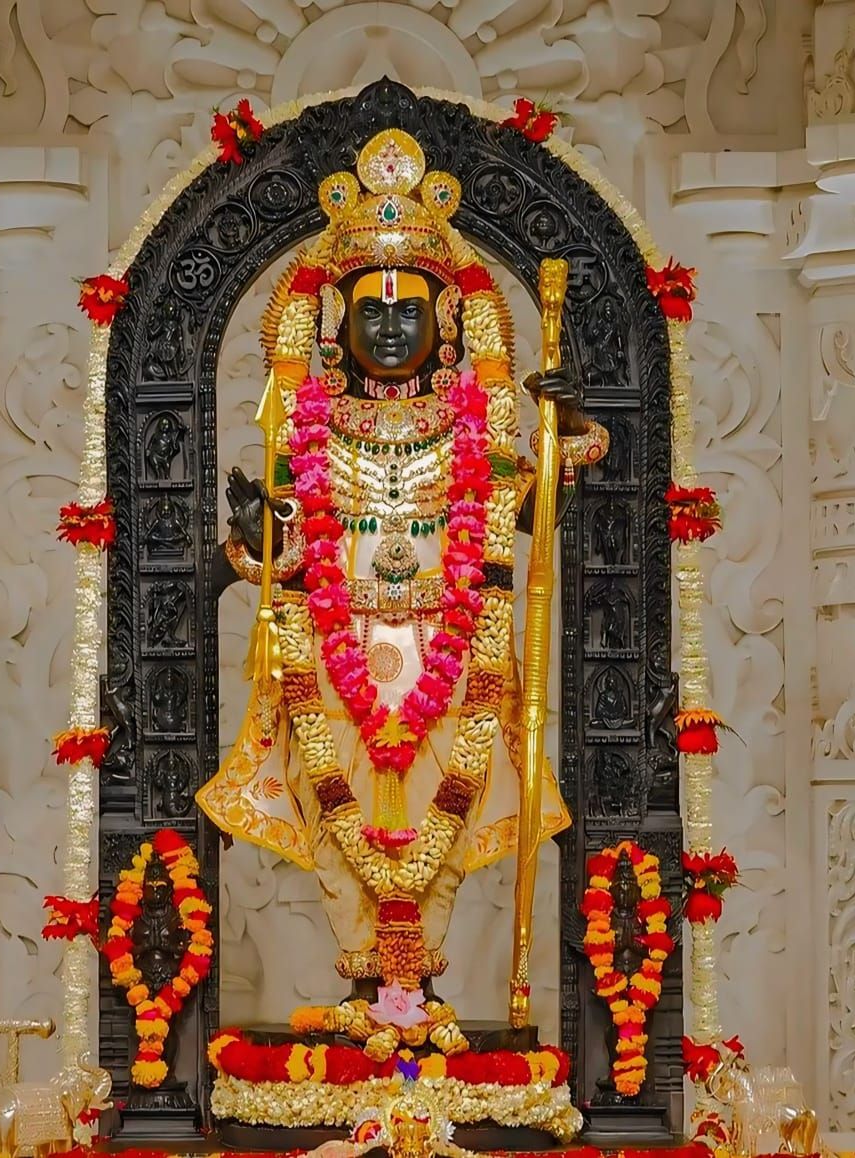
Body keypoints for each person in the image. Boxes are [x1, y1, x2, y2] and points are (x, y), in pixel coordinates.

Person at [198, 130, 604, 1040]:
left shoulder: (477, 425)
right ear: (336, 326)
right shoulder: (304, 428)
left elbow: (549, 484)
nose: (388, 328)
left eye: (408, 312)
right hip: (331, 662)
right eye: (369, 314)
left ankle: (419, 992)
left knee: (447, 815)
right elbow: (278, 564)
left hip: (454, 653)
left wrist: (560, 421)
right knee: (332, 802)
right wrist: (258, 532)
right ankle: (363, 992)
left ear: (445, 324)